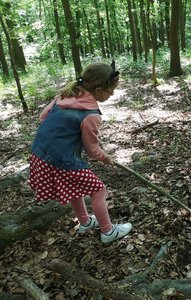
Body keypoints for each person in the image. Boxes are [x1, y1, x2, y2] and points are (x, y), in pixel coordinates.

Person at [29, 61, 132, 243]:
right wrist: (106, 158)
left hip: (40, 153)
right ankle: (108, 231)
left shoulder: (64, 95)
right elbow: (92, 150)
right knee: (98, 189)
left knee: (74, 188)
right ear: (99, 90)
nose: (112, 94)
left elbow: (43, 116)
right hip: (62, 160)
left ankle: (85, 221)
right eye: (111, 91)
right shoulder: (91, 114)